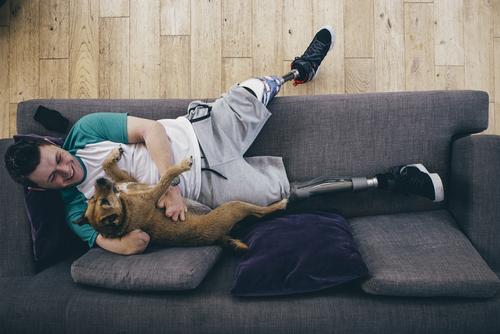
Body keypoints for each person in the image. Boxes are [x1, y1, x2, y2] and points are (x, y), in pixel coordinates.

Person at [4, 26, 444, 256]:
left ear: (55, 145)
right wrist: (117, 236)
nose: (67, 170)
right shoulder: (78, 215)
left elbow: (152, 131)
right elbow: (132, 244)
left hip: (199, 135)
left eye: (58, 159)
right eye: (55, 178)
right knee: (286, 197)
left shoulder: (85, 134)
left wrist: (168, 185)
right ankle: (392, 180)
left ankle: (296, 72)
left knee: (251, 92)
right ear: (38, 189)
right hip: (209, 192)